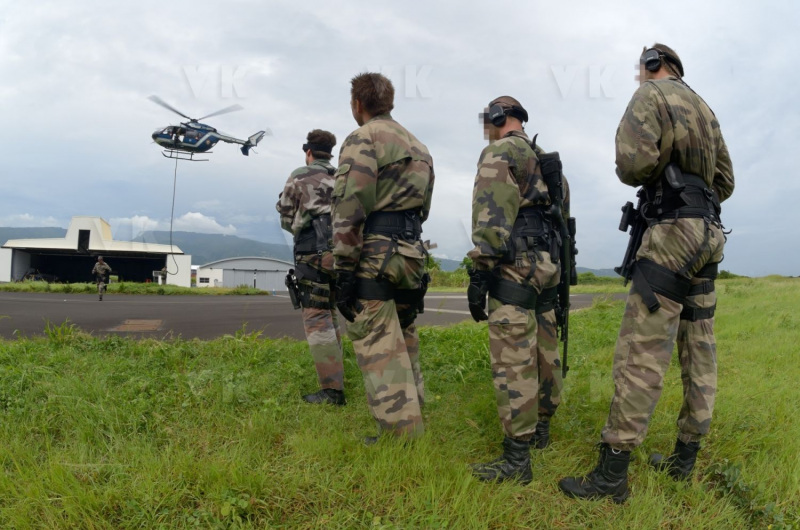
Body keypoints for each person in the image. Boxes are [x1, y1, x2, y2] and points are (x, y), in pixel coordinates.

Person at [559, 44, 735, 503]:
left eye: (641, 69)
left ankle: (611, 475)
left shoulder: (650, 95)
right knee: (700, 346)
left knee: (643, 348)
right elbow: (726, 182)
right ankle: (684, 459)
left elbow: (632, 164)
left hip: (672, 231)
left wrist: (665, 183)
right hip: (708, 231)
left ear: (654, 65)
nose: (638, 77)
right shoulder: (706, 109)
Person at [466, 96, 566, 484]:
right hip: (548, 263)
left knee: (514, 355)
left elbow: (491, 218)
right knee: (545, 347)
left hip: (516, 263)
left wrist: (480, 274)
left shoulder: (500, 152)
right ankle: (542, 427)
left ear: (497, 117)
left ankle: (517, 459)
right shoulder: (547, 162)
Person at [332, 72, 435, 443]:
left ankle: (400, 438)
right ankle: (414, 414)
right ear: (389, 102)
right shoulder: (420, 147)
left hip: (376, 254)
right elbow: (423, 209)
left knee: (379, 343)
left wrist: (344, 270)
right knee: (404, 338)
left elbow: (350, 207)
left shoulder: (363, 137)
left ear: (358, 104)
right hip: (412, 253)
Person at [276, 129, 345, 406]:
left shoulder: (299, 175)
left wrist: (299, 223)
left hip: (312, 253)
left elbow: (285, 216)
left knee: (317, 316)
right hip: (343, 253)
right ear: (330, 152)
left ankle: (332, 391)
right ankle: (336, 377)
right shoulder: (342, 176)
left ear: (308, 152)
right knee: (331, 311)